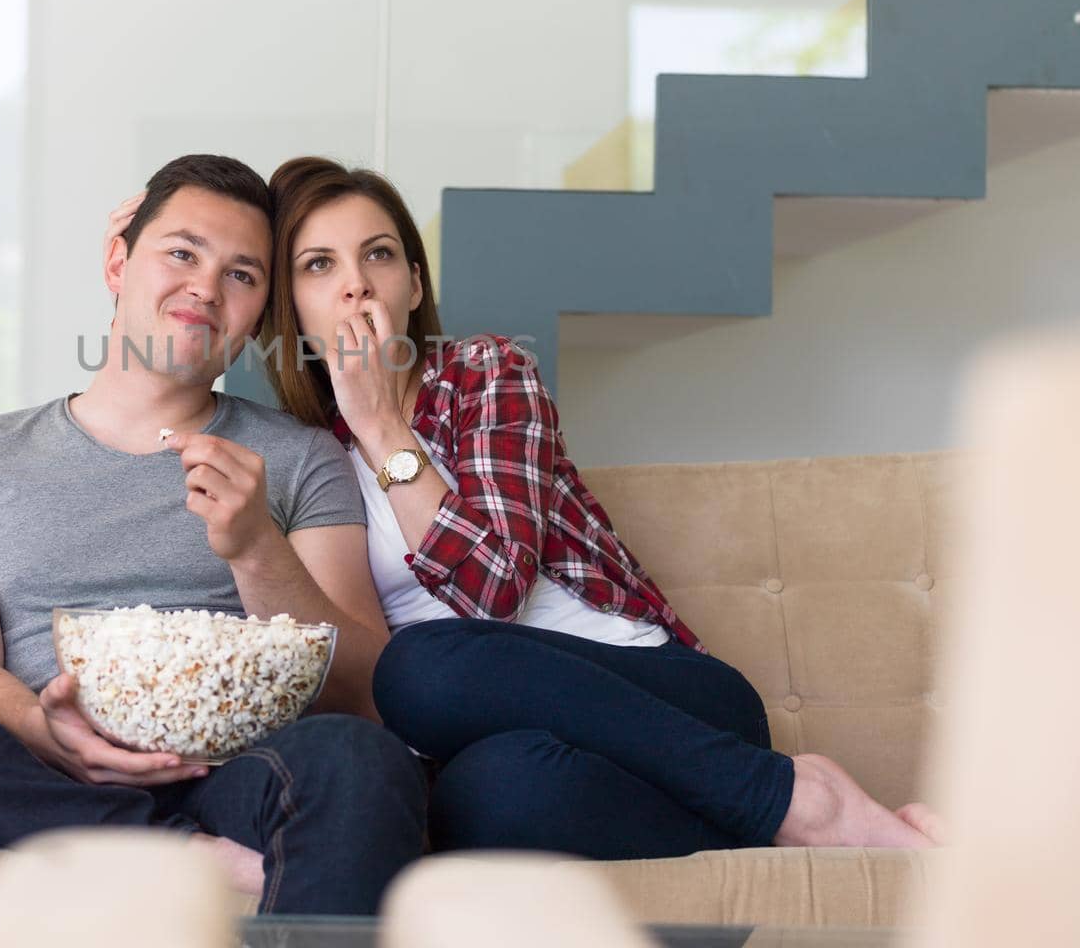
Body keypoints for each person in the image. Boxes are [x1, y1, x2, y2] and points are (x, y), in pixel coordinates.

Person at [202, 154, 944, 860]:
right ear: (290, 309)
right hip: (518, 749)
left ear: (416, 285)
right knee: (490, 799)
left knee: (419, 667)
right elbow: (340, 658)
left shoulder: (487, 373)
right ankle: (768, 813)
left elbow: (491, 591)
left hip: (667, 699)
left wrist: (384, 428)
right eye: (319, 265)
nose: (356, 285)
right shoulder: (309, 460)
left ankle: (803, 801)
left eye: (380, 255)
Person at [0, 155, 426, 917]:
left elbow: (366, 689)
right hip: (26, 764)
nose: (205, 289)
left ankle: (138, 843)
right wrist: (40, 727)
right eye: (182, 253)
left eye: (242, 275)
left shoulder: (298, 456)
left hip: (237, 766)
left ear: (259, 314)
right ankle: (162, 849)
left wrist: (255, 547)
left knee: (360, 761)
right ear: (119, 260)